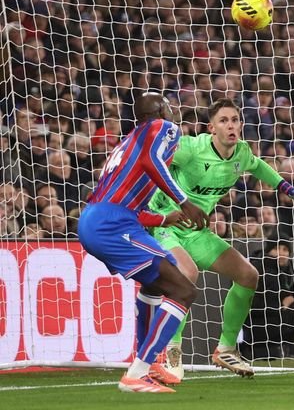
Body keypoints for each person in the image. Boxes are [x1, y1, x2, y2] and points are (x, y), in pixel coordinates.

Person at [148, 98, 294, 379]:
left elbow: (257, 166)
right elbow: (153, 161)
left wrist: (290, 189)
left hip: (197, 232)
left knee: (248, 275)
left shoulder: (241, 152)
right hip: (165, 225)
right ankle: (171, 351)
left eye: (235, 120)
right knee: (187, 274)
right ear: (211, 128)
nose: (231, 125)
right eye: (224, 121)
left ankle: (226, 349)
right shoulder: (191, 149)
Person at [77, 92, 208, 393]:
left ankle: (147, 363)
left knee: (155, 283)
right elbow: (152, 161)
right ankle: (138, 372)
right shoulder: (161, 127)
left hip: (102, 218)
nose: (173, 113)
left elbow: (125, 204)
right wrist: (185, 201)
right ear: (161, 110)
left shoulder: (125, 143)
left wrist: (165, 219)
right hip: (112, 223)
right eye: (170, 107)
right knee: (183, 289)